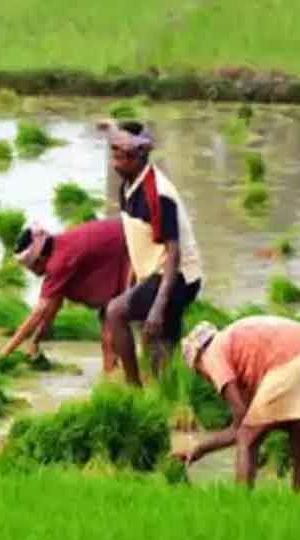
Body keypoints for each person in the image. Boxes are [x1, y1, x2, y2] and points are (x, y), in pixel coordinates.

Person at [170, 318, 300, 491]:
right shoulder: (238, 344)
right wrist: (200, 449)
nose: (206, 378)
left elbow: (241, 425)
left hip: (292, 362)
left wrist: (201, 447)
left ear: (198, 359)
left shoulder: (212, 353)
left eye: (199, 371)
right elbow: (244, 423)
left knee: (247, 440)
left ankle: (242, 503)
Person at [101, 120, 204, 386]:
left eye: (122, 157)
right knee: (159, 352)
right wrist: (130, 289)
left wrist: (157, 307)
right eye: (114, 155)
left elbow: (173, 253)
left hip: (178, 276)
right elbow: (139, 242)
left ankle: (134, 390)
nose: (115, 163)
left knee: (115, 313)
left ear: (140, 156)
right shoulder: (127, 186)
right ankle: (168, 394)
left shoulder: (158, 194)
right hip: (156, 273)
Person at [0, 218, 131, 372]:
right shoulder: (60, 246)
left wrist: (4, 353)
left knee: (111, 335)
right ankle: (114, 379)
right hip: (118, 247)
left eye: (31, 267)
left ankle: (124, 382)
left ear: (40, 259)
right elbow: (53, 304)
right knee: (108, 336)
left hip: (132, 249)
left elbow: (39, 312)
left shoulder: (58, 263)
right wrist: (35, 341)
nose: (32, 273)